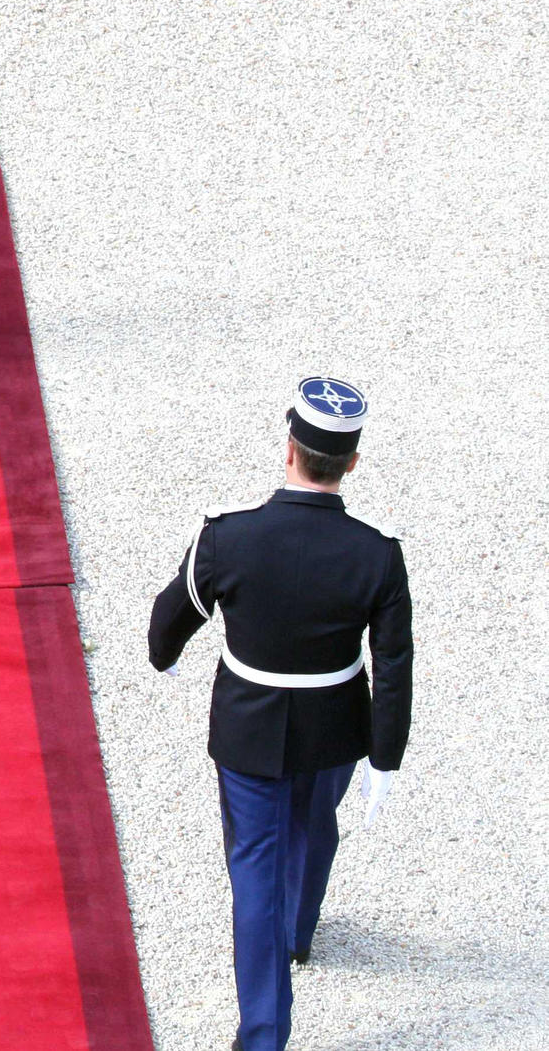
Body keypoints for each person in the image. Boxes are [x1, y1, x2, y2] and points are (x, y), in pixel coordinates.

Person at [149, 377, 414, 1051]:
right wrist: (385, 756)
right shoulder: (377, 554)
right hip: (335, 725)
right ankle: (300, 931)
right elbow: (394, 660)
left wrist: (165, 654)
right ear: (352, 463)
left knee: (255, 865)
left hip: (249, 724)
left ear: (288, 448)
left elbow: (173, 613)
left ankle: (264, 1034)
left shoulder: (229, 535)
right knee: (313, 823)